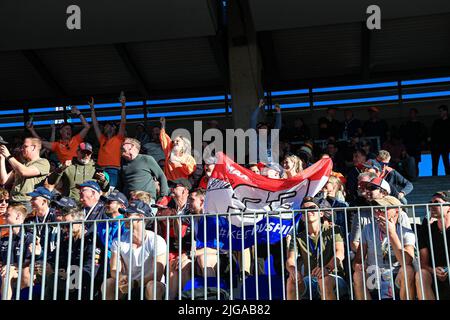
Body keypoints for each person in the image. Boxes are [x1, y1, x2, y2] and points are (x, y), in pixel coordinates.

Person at [353, 196, 415, 300]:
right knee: (357, 275)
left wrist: (392, 234)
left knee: (407, 270)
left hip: (397, 275)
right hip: (374, 274)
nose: (377, 211)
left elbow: (408, 261)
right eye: (375, 208)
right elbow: (358, 259)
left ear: (396, 210)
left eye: (382, 208)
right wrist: (358, 265)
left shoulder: (406, 232)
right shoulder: (368, 229)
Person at [103, 200, 167, 300]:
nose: (124, 217)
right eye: (124, 214)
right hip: (128, 285)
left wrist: (135, 283)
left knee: (153, 286)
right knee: (108, 283)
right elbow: (114, 269)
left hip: (147, 285)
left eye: (128, 214)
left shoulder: (157, 240)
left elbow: (157, 275)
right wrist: (120, 277)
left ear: (141, 217)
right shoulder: (118, 240)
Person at [286, 196, 347, 300]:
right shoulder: (298, 237)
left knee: (324, 281)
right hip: (310, 279)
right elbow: (290, 260)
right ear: (302, 217)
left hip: (333, 276)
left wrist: (327, 269)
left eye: (312, 208)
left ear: (321, 213)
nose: (308, 211)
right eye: (304, 210)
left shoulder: (333, 230)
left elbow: (340, 253)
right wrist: (293, 270)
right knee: (291, 281)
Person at [44, 208, 100, 300]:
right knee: (50, 278)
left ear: (80, 224)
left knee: (54, 280)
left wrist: (69, 276)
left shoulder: (91, 241)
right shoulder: (66, 241)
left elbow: (90, 269)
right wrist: (47, 266)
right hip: (66, 280)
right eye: (63, 225)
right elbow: (53, 258)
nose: (65, 228)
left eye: (68, 225)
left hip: (83, 284)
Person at [156, 178, 192, 299]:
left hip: (190, 251)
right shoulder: (169, 205)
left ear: (185, 190)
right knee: (172, 266)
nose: (172, 189)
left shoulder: (192, 208)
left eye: (176, 186)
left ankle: (186, 299)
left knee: (184, 265)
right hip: (173, 250)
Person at [0, 203, 40, 300]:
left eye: (7, 215)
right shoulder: (4, 239)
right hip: (8, 270)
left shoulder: (29, 237)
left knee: (8, 273)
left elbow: (29, 262)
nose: (4, 218)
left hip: (23, 271)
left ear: (18, 216)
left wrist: (14, 266)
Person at [416, 191, 450, 300]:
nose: (432, 206)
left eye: (436, 202)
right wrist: (434, 270)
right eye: (430, 203)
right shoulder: (426, 230)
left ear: (449, 207)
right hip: (435, 275)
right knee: (421, 274)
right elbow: (423, 263)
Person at [0, 137, 50, 212]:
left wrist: (8, 156)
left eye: (25, 146)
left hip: (27, 202)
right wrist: (2, 158)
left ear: (34, 147)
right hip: (13, 201)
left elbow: (24, 172)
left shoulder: (43, 162)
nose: (22, 149)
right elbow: (4, 181)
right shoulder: (21, 165)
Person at [26, 106, 91, 163]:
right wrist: (31, 130)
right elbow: (41, 142)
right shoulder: (57, 145)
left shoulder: (76, 139)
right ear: (61, 131)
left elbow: (87, 126)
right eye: (66, 129)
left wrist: (78, 113)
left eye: (70, 129)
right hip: (66, 172)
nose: (69, 130)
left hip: (79, 169)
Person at [90, 96, 126, 189]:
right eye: (105, 126)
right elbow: (95, 125)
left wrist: (123, 107)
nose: (106, 127)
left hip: (113, 169)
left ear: (114, 128)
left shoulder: (118, 138)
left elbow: (123, 123)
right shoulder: (102, 139)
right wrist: (92, 109)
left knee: (110, 191)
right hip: (100, 170)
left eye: (108, 125)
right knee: (99, 192)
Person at [250, 99, 282, 163]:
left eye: (266, 129)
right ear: (258, 130)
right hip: (257, 163)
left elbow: (277, 127)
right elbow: (253, 120)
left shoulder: (269, 138)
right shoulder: (254, 137)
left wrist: (278, 112)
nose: (265, 130)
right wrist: (259, 107)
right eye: (262, 128)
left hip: (270, 164)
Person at [400, 108, 427, 177]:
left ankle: (416, 177)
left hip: (416, 147)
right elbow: (403, 136)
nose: (411, 114)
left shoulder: (420, 125)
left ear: (416, 114)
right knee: (407, 163)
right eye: (410, 113)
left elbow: (423, 136)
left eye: (413, 113)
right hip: (408, 147)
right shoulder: (406, 124)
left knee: (416, 163)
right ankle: (409, 178)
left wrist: (421, 145)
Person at [431, 105, 450, 176]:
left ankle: (448, 179)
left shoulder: (448, 122)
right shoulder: (436, 122)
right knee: (435, 165)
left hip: (445, 146)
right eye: (440, 111)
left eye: (441, 111)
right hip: (436, 146)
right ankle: (434, 180)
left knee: (446, 164)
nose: (440, 113)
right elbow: (432, 134)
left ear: (446, 112)